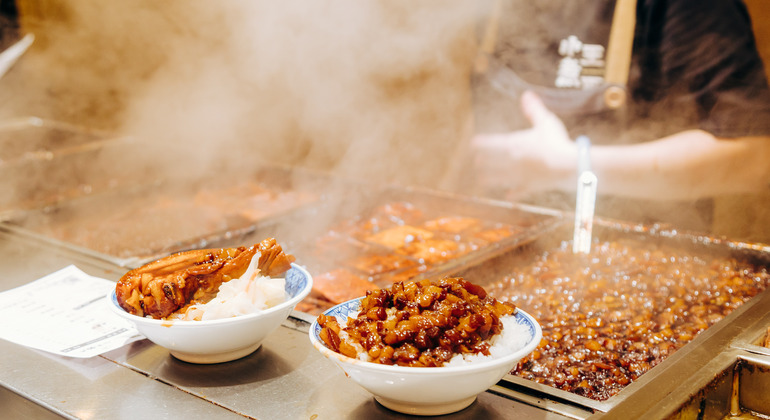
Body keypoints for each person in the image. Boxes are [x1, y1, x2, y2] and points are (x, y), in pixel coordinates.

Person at [467, 0, 770, 239]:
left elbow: (755, 159)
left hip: (639, 261)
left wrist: (568, 165)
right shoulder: (490, 8)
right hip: (505, 247)